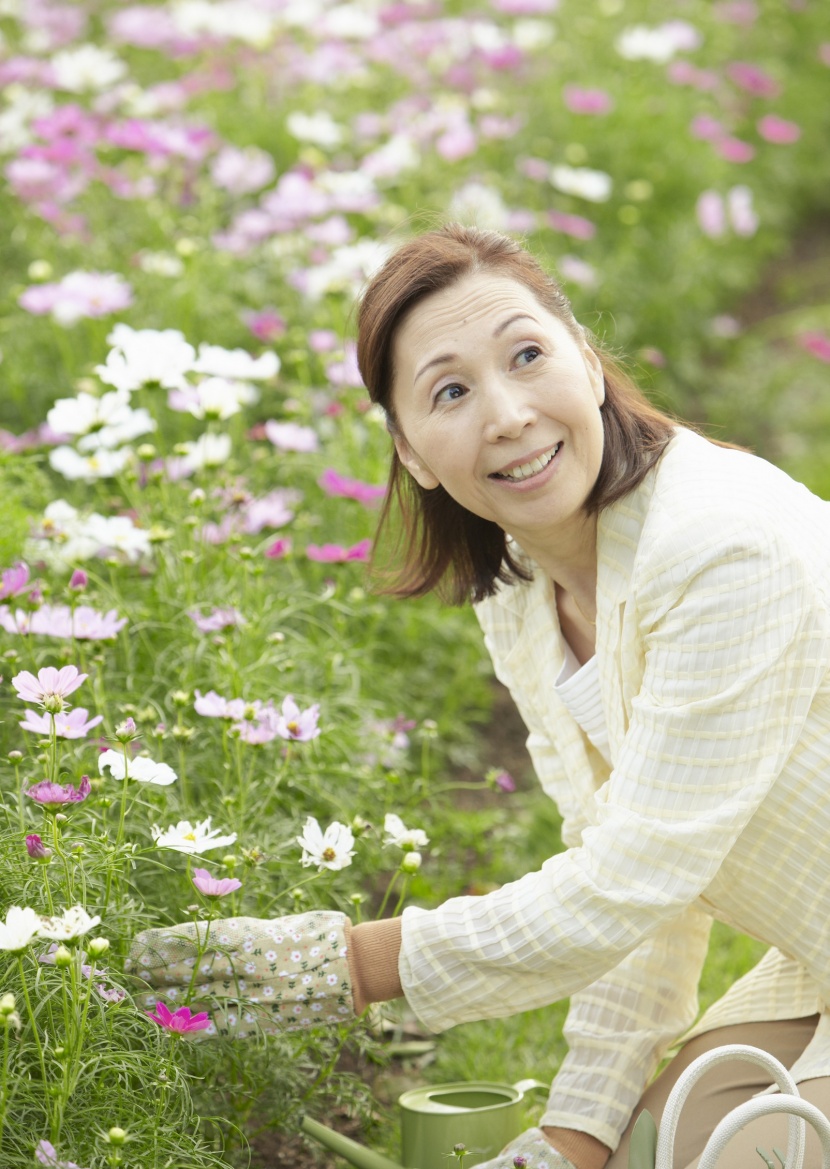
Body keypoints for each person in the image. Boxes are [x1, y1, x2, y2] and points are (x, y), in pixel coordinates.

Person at [132, 224, 830, 1169]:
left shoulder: (719, 550)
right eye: (451, 391)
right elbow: (641, 886)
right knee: (647, 1151)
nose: (505, 414)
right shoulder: (523, 594)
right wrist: (573, 1134)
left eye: (528, 355)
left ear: (586, 359)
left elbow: (633, 881)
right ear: (412, 451)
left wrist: (351, 964)